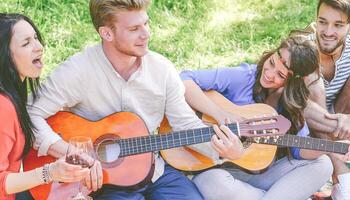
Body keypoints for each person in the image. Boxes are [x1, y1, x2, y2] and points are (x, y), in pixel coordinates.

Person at [27, 0, 244, 199]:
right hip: (103, 182)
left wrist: (223, 151)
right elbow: (30, 113)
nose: (146, 34)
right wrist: (75, 155)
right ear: (106, 33)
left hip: (156, 171)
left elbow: (185, 124)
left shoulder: (162, 70)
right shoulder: (77, 71)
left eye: (146, 24)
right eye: (134, 29)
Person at [179, 35, 340, 200]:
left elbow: (297, 150)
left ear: (294, 82)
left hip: (260, 177)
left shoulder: (293, 103)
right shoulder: (243, 76)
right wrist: (221, 115)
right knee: (211, 183)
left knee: (323, 164)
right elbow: (184, 79)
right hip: (222, 172)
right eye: (271, 63)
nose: (269, 74)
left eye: (281, 75)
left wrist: (330, 148)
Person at [0, 13, 90, 200]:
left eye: (35, 38)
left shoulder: (15, 94)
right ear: (4, 55)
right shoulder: (3, 107)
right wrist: (50, 172)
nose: (39, 47)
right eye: (26, 43)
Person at [301, 0, 350, 199]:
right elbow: (290, 101)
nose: (328, 32)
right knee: (315, 83)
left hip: (341, 114)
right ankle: (342, 179)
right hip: (306, 118)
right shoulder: (302, 47)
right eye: (322, 22)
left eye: (338, 25)